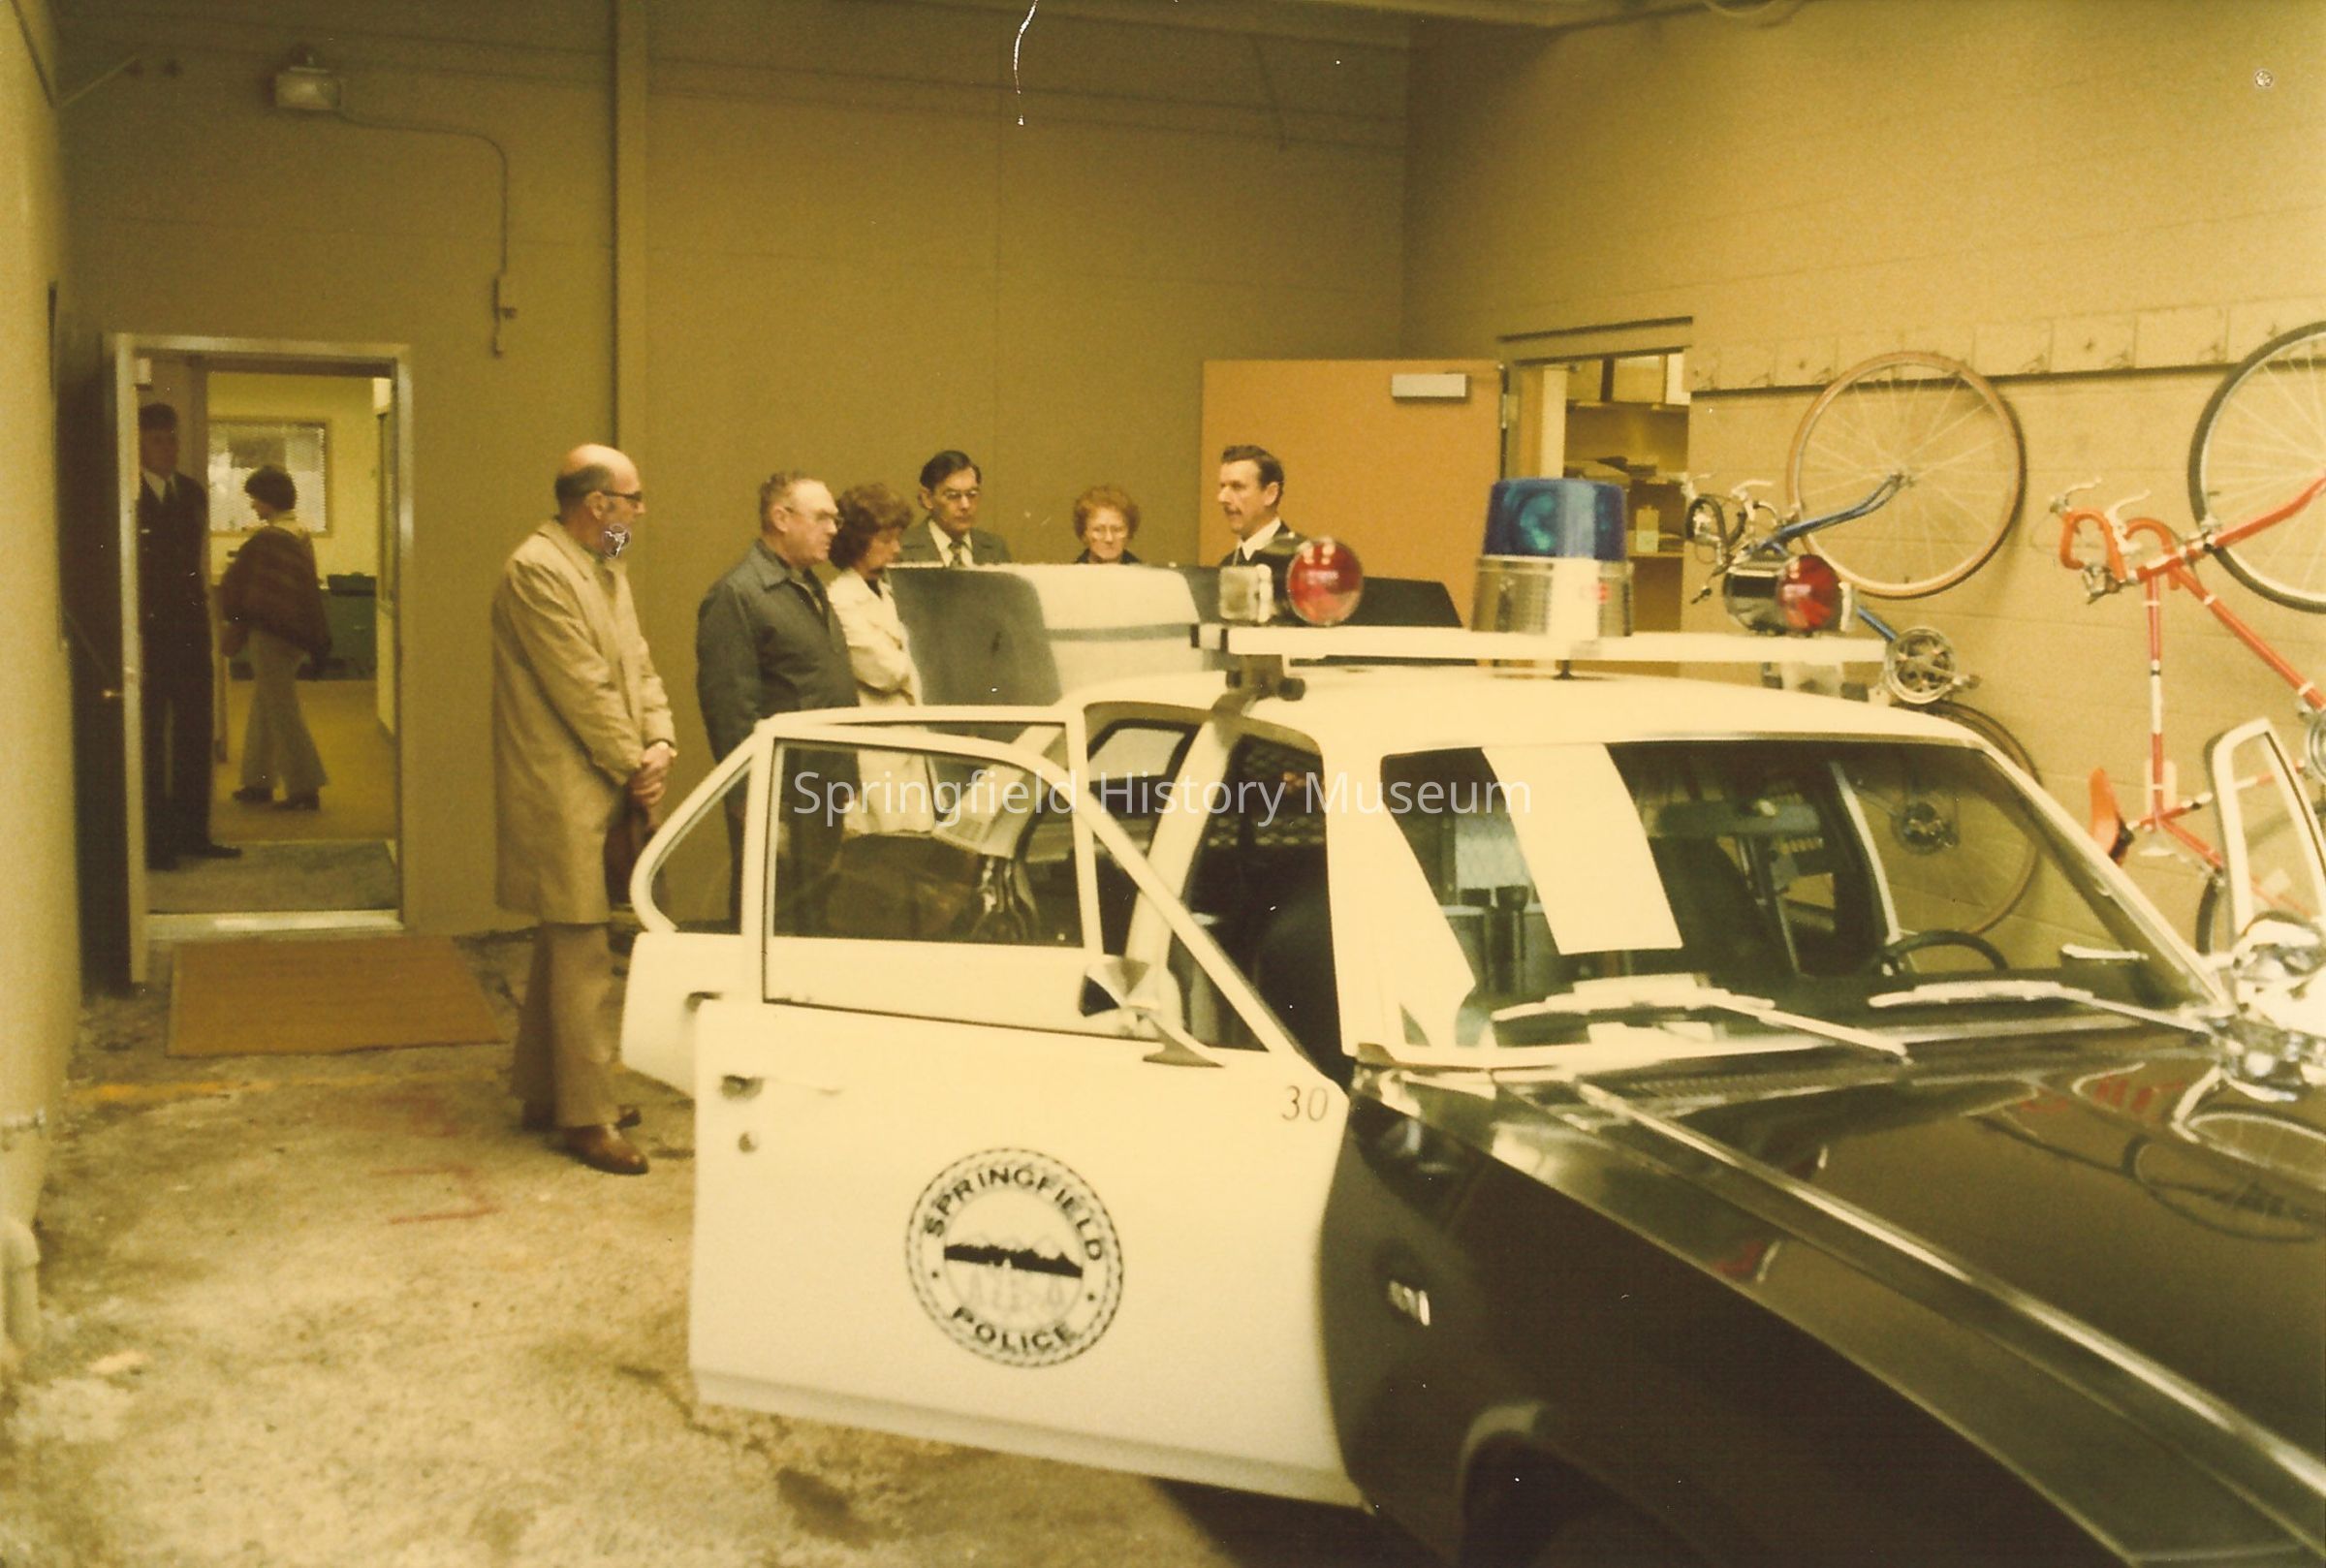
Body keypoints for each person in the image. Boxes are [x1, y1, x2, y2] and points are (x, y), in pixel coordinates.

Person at [491, 444, 676, 1176]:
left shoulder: (607, 560)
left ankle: (548, 1093)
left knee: (564, 945)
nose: (640, 512)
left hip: (611, 772)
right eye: (633, 499)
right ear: (597, 504)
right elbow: (583, 689)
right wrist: (635, 764)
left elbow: (637, 659)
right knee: (583, 954)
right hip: (564, 786)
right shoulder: (535, 570)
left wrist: (660, 738)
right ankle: (587, 1116)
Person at [136, 402, 239, 869]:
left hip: (191, 631)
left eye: (172, 438)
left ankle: (194, 833)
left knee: (196, 736)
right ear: (139, 444)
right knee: (151, 741)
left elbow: (192, 565)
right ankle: (156, 842)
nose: (169, 448)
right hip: (149, 635)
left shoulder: (193, 493)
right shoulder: (129, 494)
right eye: (158, 440)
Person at [695, 471, 860, 764]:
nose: (833, 529)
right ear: (781, 519)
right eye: (822, 518)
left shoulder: (810, 586)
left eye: (835, 519)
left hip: (831, 775)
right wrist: (752, 788)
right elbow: (731, 716)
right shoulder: (737, 594)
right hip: (782, 783)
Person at [217, 465, 330, 810]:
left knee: (282, 710)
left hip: (270, 633)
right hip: (295, 631)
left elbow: (245, 585)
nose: (253, 505)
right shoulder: (300, 532)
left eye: (255, 498)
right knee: (265, 705)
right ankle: (258, 781)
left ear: (268, 499)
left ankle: (304, 787)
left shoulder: (268, 539)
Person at [829, 483, 934, 835]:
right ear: (858, 541)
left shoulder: (890, 593)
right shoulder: (840, 600)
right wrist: (927, 664)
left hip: (913, 747)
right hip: (877, 754)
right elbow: (886, 671)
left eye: (898, 538)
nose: (897, 549)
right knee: (884, 846)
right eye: (886, 539)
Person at [895, 450, 1012, 566]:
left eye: (972, 495)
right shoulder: (900, 548)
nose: (965, 505)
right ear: (927, 498)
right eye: (953, 496)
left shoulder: (995, 548)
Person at [1215, 444, 1305, 568]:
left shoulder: (1301, 562)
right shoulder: (1226, 565)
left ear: (1270, 494)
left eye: (1237, 487)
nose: (1222, 498)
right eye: (1222, 487)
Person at [1071, 486, 1142, 564]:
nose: (1109, 539)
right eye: (1098, 530)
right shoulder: (1069, 572)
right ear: (1084, 533)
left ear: (1129, 533)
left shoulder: (1143, 572)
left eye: (1117, 530)